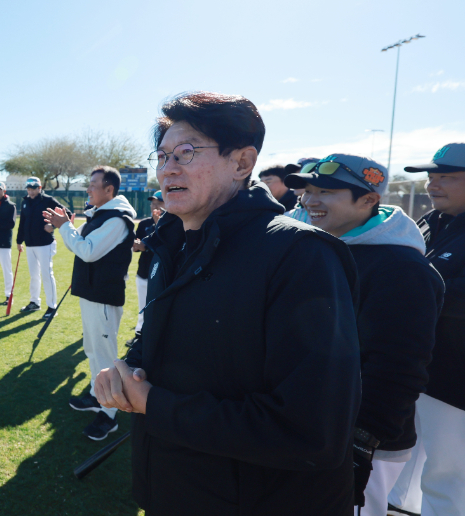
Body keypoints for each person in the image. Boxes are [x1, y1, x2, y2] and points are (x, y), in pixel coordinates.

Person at [93, 92, 362, 515]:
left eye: (186, 152)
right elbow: (162, 337)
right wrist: (125, 371)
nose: (168, 169)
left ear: (242, 163)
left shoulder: (301, 256)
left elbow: (313, 431)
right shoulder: (175, 243)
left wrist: (154, 405)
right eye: (161, 157)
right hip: (172, 490)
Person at [285, 154, 444, 515]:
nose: (310, 200)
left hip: (358, 442)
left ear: (369, 200)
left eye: (325, 190)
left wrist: (362, 443)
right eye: (307, 191)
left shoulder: (402, 269)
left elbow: (399, 366)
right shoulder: (317, 246)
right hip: (307, 428)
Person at [387, 143, 465, 516]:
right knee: (402, 477)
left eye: (446, 176)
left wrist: (412, 293)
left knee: (449, 477)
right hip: (421, 372)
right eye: (432, 177)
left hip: (456, 382)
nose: (434, 184)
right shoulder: (430, 222)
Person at [45, 166, 136, 440]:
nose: (88, 189)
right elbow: (77, 240)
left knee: (106, 355)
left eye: (94, 185)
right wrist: (62, 227)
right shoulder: (100, 214)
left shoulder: (118, 219)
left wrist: (65, 227)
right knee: (92, 350)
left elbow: (86, 251)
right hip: (91, 294)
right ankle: (99, 395)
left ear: (109, 190)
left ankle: (110, 416)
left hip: (104, 297)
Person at [16, 177, 68, 319]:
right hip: (30, 244)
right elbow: (23, 222)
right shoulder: (25, 201)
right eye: (29, 188)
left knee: (47, 274)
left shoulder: (48, 200)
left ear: (39, 188)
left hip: (45, 244)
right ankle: (34, 302)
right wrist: (19, 240)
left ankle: (52, 307)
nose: (31, 191)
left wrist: (53, 226)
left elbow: (66, 214)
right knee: (34, 275)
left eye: (34, 188)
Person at [126, 191, 164, 347]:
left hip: (162, 273)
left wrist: (159, 224)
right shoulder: (143, 223)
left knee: (159, 307)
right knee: (143, 305)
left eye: (158, 203)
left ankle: (158, 337)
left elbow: (167, 246)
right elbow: (137, 244)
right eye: (152, 203)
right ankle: (139, 334)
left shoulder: (173, 223)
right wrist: (136, 246)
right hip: (144, 271)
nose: (154, 206)